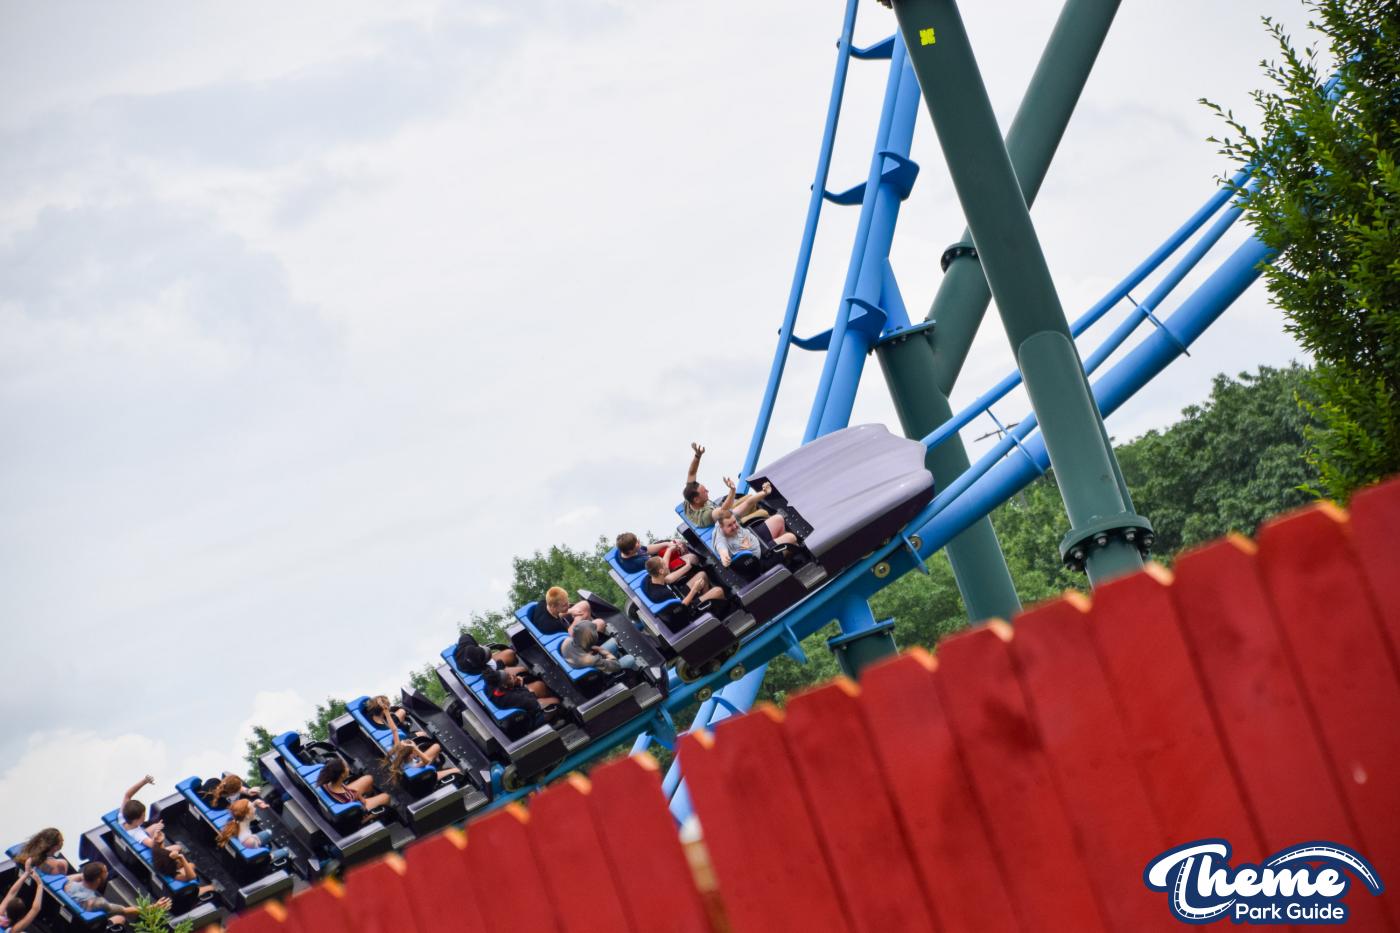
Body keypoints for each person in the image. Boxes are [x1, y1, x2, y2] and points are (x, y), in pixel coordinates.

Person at [453, 634, 560, 705]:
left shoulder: (466, 644)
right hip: (516, 698)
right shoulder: (490, 682)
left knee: (511, 655)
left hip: (493, 672)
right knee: (538, 685)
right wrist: (519, 685)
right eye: (509, 678)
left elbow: (465, 636)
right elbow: (523, 700)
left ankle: (517, 668)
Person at [64, 863, 166, 925]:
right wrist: (155, 906)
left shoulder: (68, 884)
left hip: (70, 919)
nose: (107, 873)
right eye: (105, 872)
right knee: (120, 918)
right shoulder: (99, 903)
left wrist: (89, 873)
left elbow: (77, 876)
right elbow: (126, 910)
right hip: (86, 927)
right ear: (98, 880)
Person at [713, 506, 797, 571]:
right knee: (791, 537)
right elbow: (721, 548)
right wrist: (724, 557)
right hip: (759, 558)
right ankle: (782, 555)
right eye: (730, 525)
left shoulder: (720, 521)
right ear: (721, 528)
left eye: (734, 522)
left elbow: (720, 512)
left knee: (778, 518)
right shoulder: (720, 540)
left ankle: (783, 555)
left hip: (754, 537)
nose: (734, 526)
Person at [214, 800, 291, 862]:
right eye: (252, 808)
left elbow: (244, 811)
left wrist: (255, 802)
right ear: (247, 816)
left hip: (249, 841)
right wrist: (268, 856)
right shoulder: (248, 840)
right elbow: (259, 857)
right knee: (286, 850)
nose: (255, 809)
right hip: (257, 858)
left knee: (268, 833)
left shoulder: (235, 820)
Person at [644, 556, 726, 612]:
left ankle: (707, 601)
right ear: (661, 571)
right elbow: (681, 607)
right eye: (664, 565)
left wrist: (687, 566)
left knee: (702, 575)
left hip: (679, 594)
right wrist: (694, 590)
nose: (667, 565)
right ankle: (710, 609)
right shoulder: (664, 594)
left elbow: (667, 579)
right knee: (718, 591)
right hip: (686, 607)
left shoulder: (649, 578)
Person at [482, 666, 559, 723]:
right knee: (555, 700)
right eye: (509, 678)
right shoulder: (514, 698)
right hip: (528, 715)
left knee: (539, 685)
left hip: (512, 700)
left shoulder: (489, 685)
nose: (513, 676)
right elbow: (533, 703)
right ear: (504, 686)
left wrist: (513, 684)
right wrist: (521, 686)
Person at [315, 758, 391, 813]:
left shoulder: (327, 784)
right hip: (356, 810)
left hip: (342, 795)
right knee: (386, 797)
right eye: (346, 767)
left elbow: (346, 791)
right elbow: (359, 808)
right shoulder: (347, 799)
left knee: (368, 778)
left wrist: (356, 794)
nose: (348, 768)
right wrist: (362, 801)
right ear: (342, 775)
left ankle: (370, 797)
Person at [560, 623, 636, 674]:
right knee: (630, 658)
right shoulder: (590, 659)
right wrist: (605, 652)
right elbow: (616, 666)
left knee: (613, 641)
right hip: (599, 672)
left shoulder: (567, 641)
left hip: (578, 662)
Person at [530, 587, 604, 638]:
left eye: (567, 601)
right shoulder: (553, 625)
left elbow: (555, 614)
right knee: (600, 623)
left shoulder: (543, 603)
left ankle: (587, 626)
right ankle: (593, 640)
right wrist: (578, 619)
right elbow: (569, 637)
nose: (568, 605)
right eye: (564, 605)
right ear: (553, 607)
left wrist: (571, 611)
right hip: (567, 640)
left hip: (559, 623)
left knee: (584, 604)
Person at [149, 845, 216, 899]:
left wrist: (170, 853)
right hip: (181, 897)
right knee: (191, 866)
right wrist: (181, 857)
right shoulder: (176, 876)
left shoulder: (158, 859)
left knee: (190, 864)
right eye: (177, 862)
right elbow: (192, 877)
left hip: (168, 881)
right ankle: (211, 887)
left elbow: (177, 847)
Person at [615, 533, 696, 576]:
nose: (639, 541)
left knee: (678, 542)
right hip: (661, 572)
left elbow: (646, 549)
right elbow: (663, 567)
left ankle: (683, 555)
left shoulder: (623, 549)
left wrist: (667, 544)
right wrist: (670, 550)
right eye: (637, 543)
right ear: (630, 551)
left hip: (657, 561)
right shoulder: (639, 562)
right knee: (692, 557)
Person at [119, 775, 164, 847]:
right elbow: (152, 845)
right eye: (143, 816)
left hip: (132, 832)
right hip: (149, 844)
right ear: (136, 820)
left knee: (155, 826)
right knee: (176, 847)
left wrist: (144, 781)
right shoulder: (138, 834)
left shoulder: (122, 816)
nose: (145, 817)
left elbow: (127, 795)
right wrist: (157, 834)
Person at [0, 867, 42, 932]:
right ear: (21, 916)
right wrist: (39, 884)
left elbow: (11, 893)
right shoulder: (13, 930)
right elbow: (35, 909)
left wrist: (26, 873)